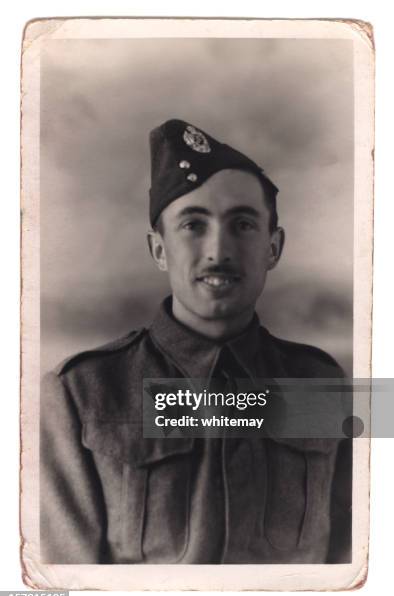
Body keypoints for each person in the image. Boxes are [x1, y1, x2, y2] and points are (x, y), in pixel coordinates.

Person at [40, 119, 351, 564]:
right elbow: (61, 582)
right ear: (159, 250)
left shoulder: (325, 385)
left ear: (273, 248)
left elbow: (358, 564)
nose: (218, 250)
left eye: (243, 224)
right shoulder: (78, 393)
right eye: (193, 224)